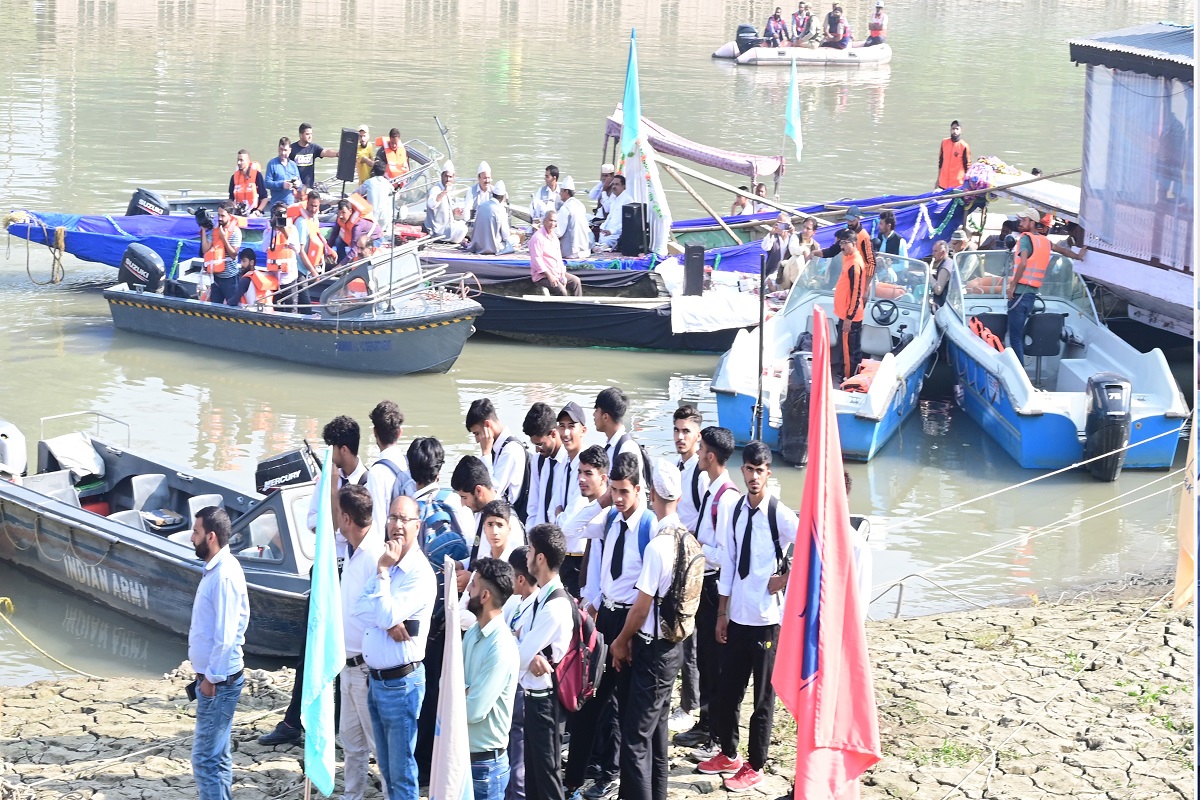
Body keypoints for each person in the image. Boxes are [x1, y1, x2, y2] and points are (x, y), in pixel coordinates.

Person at [698, 443, 799, 792]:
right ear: (742, 471)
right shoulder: (737, 510)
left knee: (762, 699)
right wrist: (722, 612)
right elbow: (728, 562)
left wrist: (784, 579)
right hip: (738, 614)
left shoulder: (779, 514)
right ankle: (729, 752)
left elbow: (813, 546)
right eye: (749, 470)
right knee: (728, 691)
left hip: (766, 617)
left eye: (761, 470)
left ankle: (756, 764)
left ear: (769, 472)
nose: (754, 477)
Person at [569, 452, 654, 800]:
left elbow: (650, 592)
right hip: (604, 617)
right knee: (591, 699)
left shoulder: (649, 527)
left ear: (639, 489)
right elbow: (568, 530)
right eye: (614, 491)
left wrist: (628, 636)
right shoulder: (610, 519)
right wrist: (601, 501)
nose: (618, 499)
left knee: (621, 703)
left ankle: (612, 775)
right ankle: (574, 776)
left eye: (624, 492)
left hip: (632, 620)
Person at [607, 460, 688, 800]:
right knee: (657, 734)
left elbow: (641, 608)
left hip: (652, 650)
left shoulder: (658, 546)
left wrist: (621, 640)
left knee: (635, 740)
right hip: (674, 647)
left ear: (651, 493)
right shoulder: (686, 537)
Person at [355, 494, 436, 800]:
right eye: (392, 518)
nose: (397, 526)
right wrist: (387, 622)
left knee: (401, 774)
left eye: (404, 519)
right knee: (387, 772)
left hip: (401, 684)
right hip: (376, 681)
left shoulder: (419, 573)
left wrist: (383, 574)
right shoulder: (385, 562)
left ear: (417, 526)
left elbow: (382, 612)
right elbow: (358, 609)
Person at [673, 427, 738, 753]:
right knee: (706, 660)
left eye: (701, 450)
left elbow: (727, 554)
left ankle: (715, 735)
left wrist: (697, 547)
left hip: (715, 587)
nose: (696, 454)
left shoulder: (726, 498)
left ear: (710, 456)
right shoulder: (712, 492)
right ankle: (705, 724)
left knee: (715, 662)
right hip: (706, 583)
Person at [188, 506, 249, 800]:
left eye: (196, 532)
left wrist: (210, 679)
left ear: (210, 537)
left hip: (218, 682)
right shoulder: (216, 569)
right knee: (219, 757)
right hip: (216, 680)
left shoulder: (223, 576)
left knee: (205, 760)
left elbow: (226, 637)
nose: (191, 537)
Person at [337, 484, 388, 800]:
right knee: (350, 741)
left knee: (376, 745)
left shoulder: (376, 557)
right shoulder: (348, 548)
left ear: (346, 518)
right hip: (345, 661)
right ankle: (351, 795)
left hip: (366, 667)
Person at [518, 524, 575, 800]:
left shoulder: (555, 604)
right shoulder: (542, 595)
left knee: (547, 778)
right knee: (534, 779)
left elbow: (517, 653)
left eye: (530, 549)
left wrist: (527, 654)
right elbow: (516, 634)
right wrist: (527, 653)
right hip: (533, 697)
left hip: (546, 703)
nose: (527, 555)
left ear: (540, 558)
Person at [463, 557, 519, 800]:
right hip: (464, 757)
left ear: (484, 596)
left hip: (485, 767)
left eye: (473, 585)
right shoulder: (473, 632)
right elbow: (447, 684)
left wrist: (461, 692)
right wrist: (464, 691)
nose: (467, 589)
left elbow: (473, 710)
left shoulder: (501, 647)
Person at [668, 406, 707, 734]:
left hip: (694, 567)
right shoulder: (681, 468)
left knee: (690, 640)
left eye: (686, 432)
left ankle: (690, 704)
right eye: (677, 430)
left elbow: (703, 521)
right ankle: (686, 699)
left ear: (698, 435)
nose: (680, 437)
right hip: (680, 563)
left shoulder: (699, 473)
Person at [504, 546, 538, 800]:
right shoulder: (516, 602)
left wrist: (511, 641)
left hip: (524, 691)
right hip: (510, 687)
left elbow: (523, 651)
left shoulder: (536, 607)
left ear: (521, 579)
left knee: (520, 760)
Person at [556, 444, 610, 601]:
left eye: (588, 473)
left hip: (601, 598)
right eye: (579, 472)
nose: (581, 478)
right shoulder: (584, 503)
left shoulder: (608, 514)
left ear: (603, 478)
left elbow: (566, 528)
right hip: (586, 593)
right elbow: (567, 529)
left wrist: (601, 503)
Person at [552, 402, 593, 597]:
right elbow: (554, 509)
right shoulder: (564, 464)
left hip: (579, 558)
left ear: (583, 430)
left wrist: (560, 515)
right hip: (562, 556)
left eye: (571, 426)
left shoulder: (586, 468)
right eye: (562, 426)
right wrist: (559, 515)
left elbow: (567, 523)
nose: (565, 433)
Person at [466, 397, 530, 515]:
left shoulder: (510, 450)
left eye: (477, 433)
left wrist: (486, 453)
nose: (476, 440)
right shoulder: (498, 448)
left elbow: (492, 493)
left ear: (487, 425)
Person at [1006, 207, 1052, 366]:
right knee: (1018, 334)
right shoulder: (1045, 241)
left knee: (1015, 338)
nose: (1020, 223)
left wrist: (1012, 286)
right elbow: (1064, 251)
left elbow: (1023, 263)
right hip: (1031, 297)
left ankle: (1019, 373)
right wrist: (1079, 255)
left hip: (1018, 295)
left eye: (1024, 220)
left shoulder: (1025, 239)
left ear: (1032, 223)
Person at [366, 400, 414, 533]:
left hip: (392, 545)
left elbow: (377, 523)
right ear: (400, 432)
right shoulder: (409, 463)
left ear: (375, 432)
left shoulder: (377, 472)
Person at [522, 402, 568, 528]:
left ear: (554, 434)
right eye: (535, 445)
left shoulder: (569, 462)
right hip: (540, 537)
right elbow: (533, 506)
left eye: (541, 444)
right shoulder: (538, 461)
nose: (537, 449)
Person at [832, 229, 867, 380]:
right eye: (841, 243)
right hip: (845, 313)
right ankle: (846, 374)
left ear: (853, 244)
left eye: (844, 243)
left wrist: (849, 317)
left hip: (850, 316)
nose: (841, 247)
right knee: (846, 348)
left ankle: (848, 377)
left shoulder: (855, 264)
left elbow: (856, 293)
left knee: (849, 351)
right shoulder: (849, 259)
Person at [594, 386, 643, 479]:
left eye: (596, 410)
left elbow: (627, 489)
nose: (593, 415)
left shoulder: (626, 448)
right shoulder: (612, 446)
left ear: (605, 417)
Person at [529, 211, 583, 296]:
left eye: (555, 221)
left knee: (575, 281)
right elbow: (537, 260)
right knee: (561, 291)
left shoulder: (554, 237)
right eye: (550, 220)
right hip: (543, 276)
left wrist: (562, 275)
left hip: (556, 273)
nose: (552, 223)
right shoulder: (538, 238)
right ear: (545, 221)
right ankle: (563, 309)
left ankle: (578, 306)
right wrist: (550, 276)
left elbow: (558, 258)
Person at [266, 202, 307, 313]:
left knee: (291, 309)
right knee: (273, 308)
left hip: (289, 277)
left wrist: (284, 231)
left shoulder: (292, 229)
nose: (281, 216)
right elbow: (264, 247)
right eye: (278, 213)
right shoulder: (269, 230)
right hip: (274, 277)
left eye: (283, 213)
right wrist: (273, 230)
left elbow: (297, 249)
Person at [201, 201, 243, 306]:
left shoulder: (235, 232)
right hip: (216, 278)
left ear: (230, 216)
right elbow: (205, 249)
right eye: (218, 215)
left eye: (222, 216)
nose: (219, 218)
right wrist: (203, 230)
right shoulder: (215, 230)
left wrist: (224, 238)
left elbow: (233, 254)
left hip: (230, 278)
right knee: (215, 306)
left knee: (232, 307)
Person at [469, 181, 517, 255]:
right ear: (503, 197)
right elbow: (506, 236)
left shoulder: (481, 206)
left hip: (478, 246)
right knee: (516, 239)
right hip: (494, 247)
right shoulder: (501, 210)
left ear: (493, 194)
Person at [328, 197, 381, 265]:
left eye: (344, 212)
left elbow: (354, 249)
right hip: (358, 238)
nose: (341, 216)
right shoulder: (340, 217)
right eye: (339, 212)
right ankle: (341, 264)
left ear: (350, 211)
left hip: (374, 239)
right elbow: (334, 234)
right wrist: (327, 251)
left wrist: (339, 266)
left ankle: (344, 267)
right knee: (338, 241)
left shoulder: (357, 225)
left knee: (362, 253)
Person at [425, 161, 467, 244]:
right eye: (446, 176)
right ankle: (454, 241)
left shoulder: (448, 189)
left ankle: (455, 240)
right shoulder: (436, 189)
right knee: (463, 229)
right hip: (437, 229)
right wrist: (444, 192)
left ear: (453, 177)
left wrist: (454, 211)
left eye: (450, 177)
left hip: (447, 226)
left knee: (464, 222)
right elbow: (431, 204)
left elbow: (445, 209)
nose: (448, 179)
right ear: (441, 176)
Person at [760, 213, 801, 292]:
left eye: (783, 224)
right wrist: (772, 233)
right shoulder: (772, 237)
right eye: (778, 223)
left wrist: (793, 233)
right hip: (773, 271)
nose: (780, 226)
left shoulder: (793, 237)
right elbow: (765, 247)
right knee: (770, 282)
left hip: (787, 271)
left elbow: (798, 249)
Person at [290, 123, 338, 189]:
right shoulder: (292, 149)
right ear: (301, 135)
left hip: (309, 187)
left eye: (311, 134)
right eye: (307, 134)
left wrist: (337, 154)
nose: (310, 136)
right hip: (295, 187)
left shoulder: (314, 148)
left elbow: (325, 152)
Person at [358, 161, 396, 243]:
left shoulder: (369, 182)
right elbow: (394, 193)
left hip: (372, 216)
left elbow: (356, 193)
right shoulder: (388, 184)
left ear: (373, 171)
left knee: (372, 235)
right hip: (386, 217)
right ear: (384, 172)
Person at [556, 176, 591, 260]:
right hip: (585, 251)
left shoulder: (565, 208)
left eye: (561, 191)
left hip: (572, 253)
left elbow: (558, 232)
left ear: (566, 192)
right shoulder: (580, 205)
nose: (559, 193)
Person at [592, 174, 629, 251]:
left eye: (617, 184)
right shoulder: (614, 198)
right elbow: (609, 216)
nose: (614, 187)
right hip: (606, 232)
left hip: (616, 234)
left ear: (624, 186)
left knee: (605, 242)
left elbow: (626, 222)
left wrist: (611, 231)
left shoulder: (627, 200)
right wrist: (603, 227)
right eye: (613, 184)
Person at [264, 137, 303, 208]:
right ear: (278, 149)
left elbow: (300, 185)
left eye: (285, 150)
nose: (283, 153)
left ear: (290, 150)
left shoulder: (293, 165)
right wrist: (282, 184)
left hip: (290, 205)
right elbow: (267, 183)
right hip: (276, 206)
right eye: (281, 149)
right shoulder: (272, 164)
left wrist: (298, 184)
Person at [228, 149, 268, 217]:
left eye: (241, 160)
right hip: (239, 213)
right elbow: (231, 198)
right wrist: (235, 207)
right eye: (238, 160)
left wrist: (258, 211)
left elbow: (264, 198)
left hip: (254, 213)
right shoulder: (234, 177)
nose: (239, 162)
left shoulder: (257, 175)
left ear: (248, 161)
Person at [936, 120, 971, 190]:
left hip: (957, 185)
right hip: (943, 183)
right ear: (950, 130)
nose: (955, 131)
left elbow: (967, 167)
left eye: (957, 129)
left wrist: (968, 185)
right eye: (953, 128)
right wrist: (938, 180)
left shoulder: (964, 146)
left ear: (961, 131)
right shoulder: (944, 142)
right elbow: (941, 162)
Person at [930, 239, 953, 310]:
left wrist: (929, 275)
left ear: (943, 253)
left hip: (941, 306)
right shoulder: (949, 262)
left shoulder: (945, 268)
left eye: (935, 251)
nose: (933, 254)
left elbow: (938, 290)